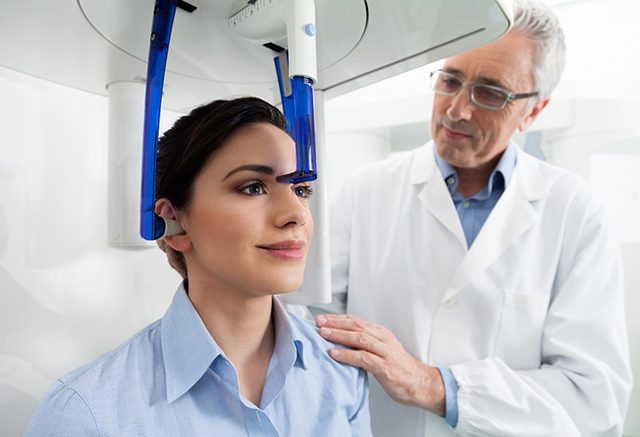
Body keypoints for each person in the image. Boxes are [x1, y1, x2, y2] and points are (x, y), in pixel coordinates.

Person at [311, 0, 633, 436]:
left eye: (490, 92)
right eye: (450, 80)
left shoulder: (576, 213)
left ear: (533, 111)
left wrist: (436, 386)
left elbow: (594, 395)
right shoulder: (364, 192)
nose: (457, 110)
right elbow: (312, 334)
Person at [25, 97, 371, 436]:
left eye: (301, 189)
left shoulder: (342, 371)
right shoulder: (85, 414)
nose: (296, 214)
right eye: (253, 187)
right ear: (174, 221)